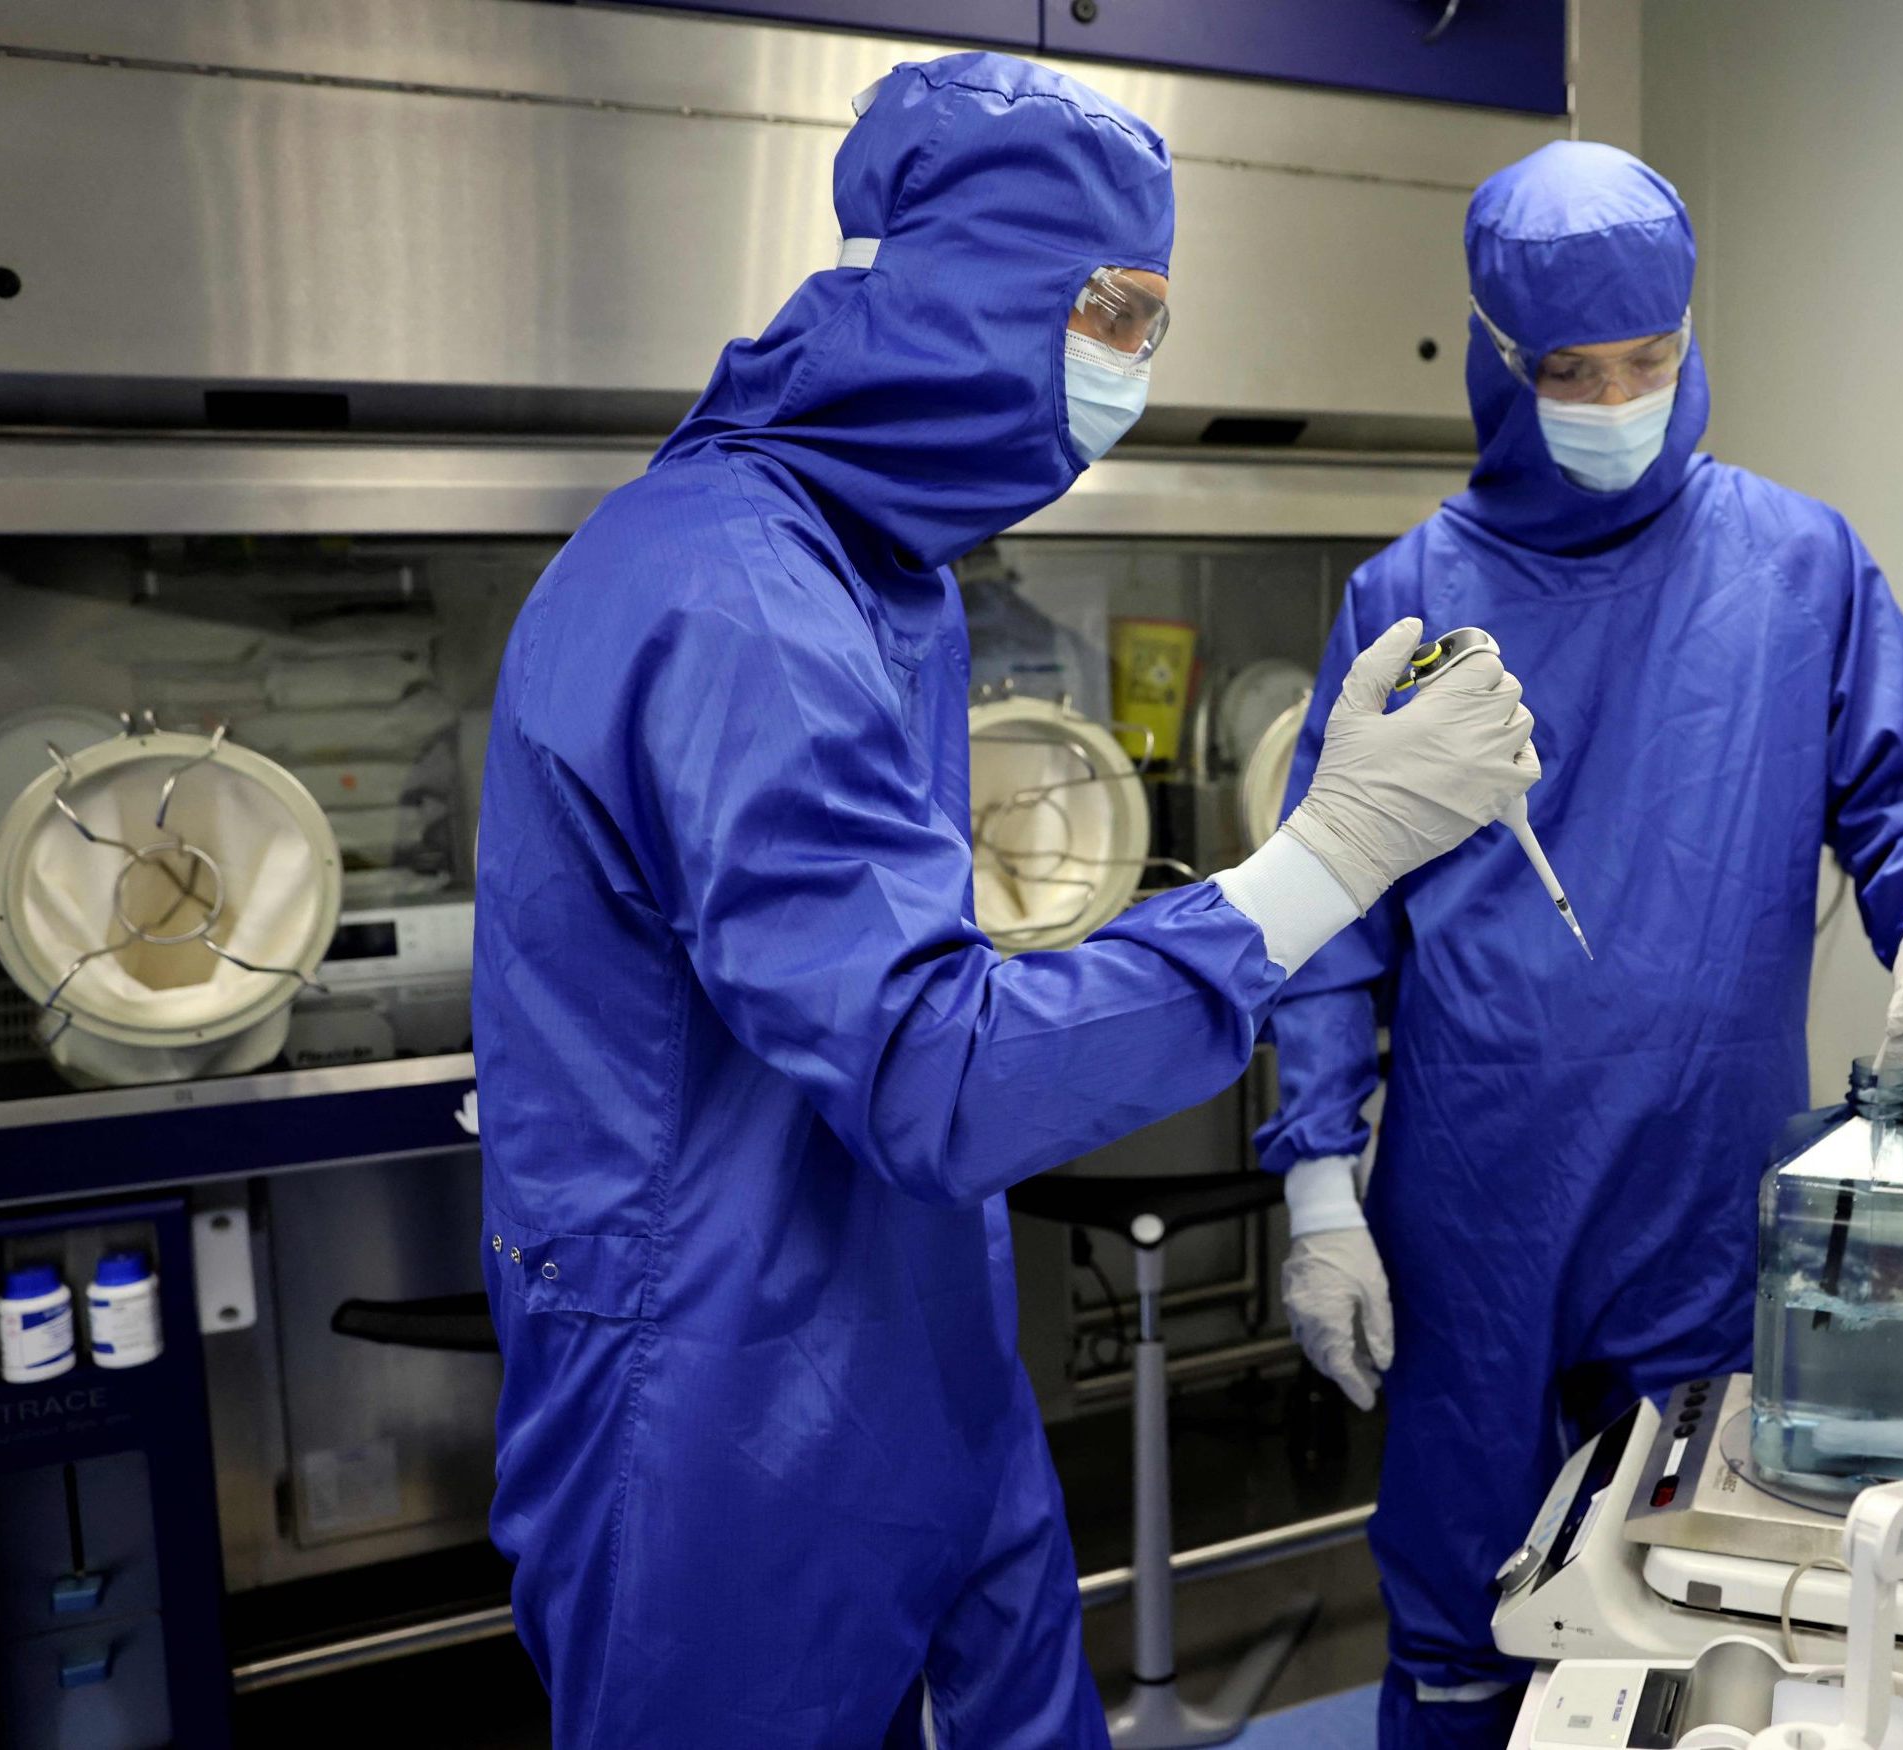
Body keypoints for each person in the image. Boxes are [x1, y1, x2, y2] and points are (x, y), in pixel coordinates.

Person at [470, 53, 1538, 1750]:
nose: (1131, 371)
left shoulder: (882, 579)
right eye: (1111, 314)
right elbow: (934, 1067)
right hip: (718, 1413)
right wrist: (1327, 855)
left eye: (1154, 326)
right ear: (971, 289)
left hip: (913, 1342)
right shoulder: (728, 591)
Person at [1258, 139, 1903, 1749]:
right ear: (1497, 358)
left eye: (1646, 357)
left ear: (1689, 333)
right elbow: (1326, 915)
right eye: (1569, 370)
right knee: (1464, 1614)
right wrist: (1317, 1180)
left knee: (1696, 1607)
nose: (1614, 398)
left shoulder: (1797, 566)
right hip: (1477, 1200)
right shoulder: (1410, 594)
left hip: (1702, 1189)